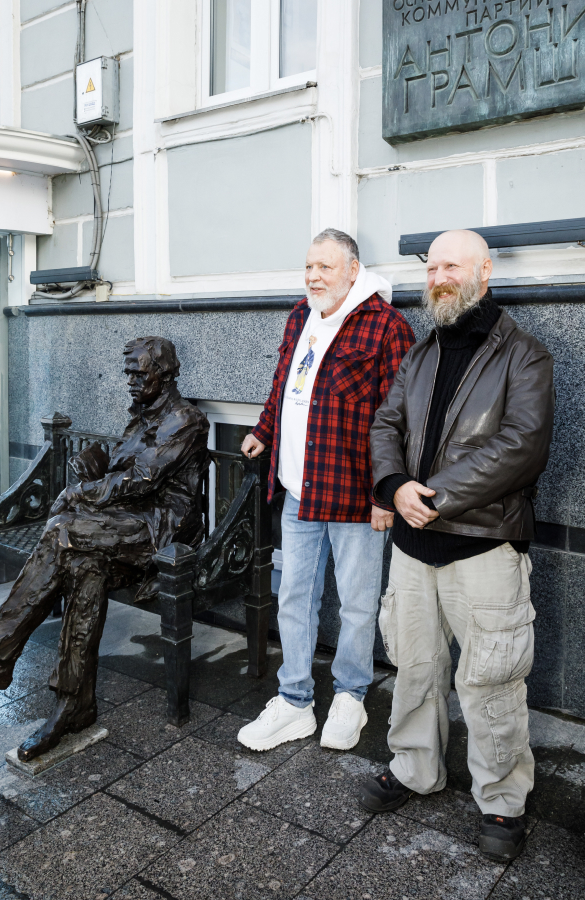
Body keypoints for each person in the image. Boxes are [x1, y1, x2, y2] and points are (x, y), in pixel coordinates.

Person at [359, 230, 554, 862]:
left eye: (452, 266)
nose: (439, 277)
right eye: (432, 267)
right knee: (414, 667)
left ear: (484, 272)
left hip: (482, 545)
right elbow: (386, 423)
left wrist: (433, 497)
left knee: (492, 679)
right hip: (413, 547)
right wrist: (393, 486)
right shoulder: (421, 353)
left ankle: (501, 798)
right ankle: (415, 767)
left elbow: (522, 445)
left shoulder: (524, 354)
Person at [0, 337, 209, 761]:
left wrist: (79, 492)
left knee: (62, 531)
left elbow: (142, 480)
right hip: (122, 522)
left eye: (139, 373)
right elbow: (123, 469)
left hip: (160, 530)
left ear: (165, 374)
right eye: (128, 373)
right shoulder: (140, 416)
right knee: (85, 567)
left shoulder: (185, 419)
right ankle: (74, 705)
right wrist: (95, 464)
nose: (130, 381)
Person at [238, 228, 415, 752]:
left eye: (326, 267)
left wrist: (386, 495)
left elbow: (400, 420)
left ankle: (350, 696)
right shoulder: (301, 315)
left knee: (357, 604)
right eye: (309, 266)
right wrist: (264, 430)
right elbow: (284, 384)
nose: (314, 277)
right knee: (294, 597)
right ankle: (294, 701)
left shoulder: (387, 326)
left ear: (353, 271)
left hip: (356, 498)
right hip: (299, 490)